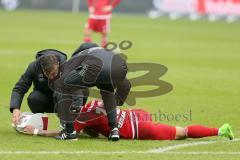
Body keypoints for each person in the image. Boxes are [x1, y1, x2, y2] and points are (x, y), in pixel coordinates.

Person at [39, 43, 131, 141]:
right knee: (107, 90)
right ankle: (114, 130)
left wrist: (74, 110)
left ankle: (69, 132)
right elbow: (126, 85)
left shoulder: (76, 58)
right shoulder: (102, 52)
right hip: (121, 67)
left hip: (97, 67)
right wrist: (118, 102)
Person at [21, 99, 234, 141]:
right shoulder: (92, 101)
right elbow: (95, 127)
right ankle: (218, 131)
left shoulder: (81, 118)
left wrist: (37, 132)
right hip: (136, 114)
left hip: (138, 128)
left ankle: (220, 131)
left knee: (183, 133)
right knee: (179, 132)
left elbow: (64, 133)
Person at [10, 49, 67, 127]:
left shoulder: (68, 67)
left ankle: (67, 124)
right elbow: (19, 88)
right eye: (47, 74)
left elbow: (79, 89)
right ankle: (40, 123)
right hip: (45, 100)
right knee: (34, 98)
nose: (51, 77)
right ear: (42, 69)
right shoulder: (33, 67)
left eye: (53, 74)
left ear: (58, 64)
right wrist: (15, 108)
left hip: (63, 101)